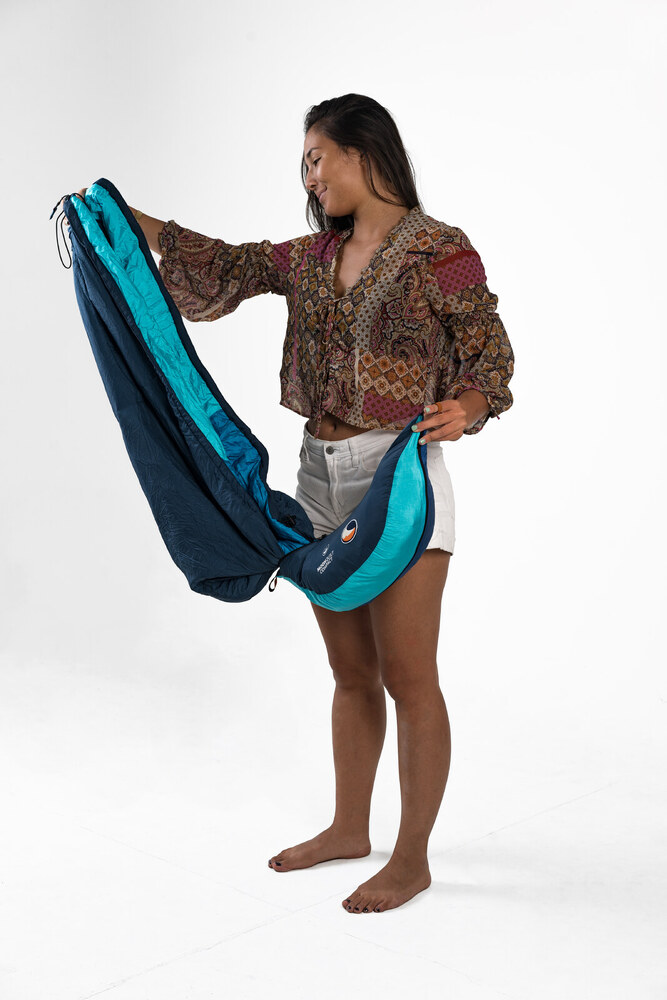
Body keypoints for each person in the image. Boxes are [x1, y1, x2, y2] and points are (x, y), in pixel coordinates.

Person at [69, 94, 514, 914]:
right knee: (350, 673)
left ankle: (411, 858)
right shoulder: (310, 256)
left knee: (409, 677)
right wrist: (124, 220)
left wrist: (471, 406)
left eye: (316, 156)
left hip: (400, 475)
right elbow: (227, 266)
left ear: (362, 152)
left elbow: (489, 349)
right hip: (319, 477)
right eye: (304, 162)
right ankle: (349, 827)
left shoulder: (442, 250)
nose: (307, 175)